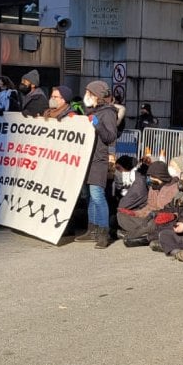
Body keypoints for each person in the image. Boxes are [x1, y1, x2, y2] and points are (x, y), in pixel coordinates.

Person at [74, 80, 118, 248]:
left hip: (98, 159)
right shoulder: (93, 111)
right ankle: (92, 229)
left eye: (89, 93)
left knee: (98, 196)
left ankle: (103, 232)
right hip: (87, 158)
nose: (87, 96)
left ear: (97, 96)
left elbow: (110, 137)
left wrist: (97, 125)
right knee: (90, 196)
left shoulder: (107, 113)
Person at [116, 161, 180, 246]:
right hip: (148, 217)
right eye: (150, 176)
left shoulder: (174, 188)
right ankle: (141, 233)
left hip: (162, 221)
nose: (150, 179)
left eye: (153, 177)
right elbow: (149, 206)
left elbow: (175, 211)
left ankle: (132, 235)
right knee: (121, 216)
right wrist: (135, 213)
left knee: (151, 224)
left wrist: (160, 216)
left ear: (160, 176)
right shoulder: (153, 187)